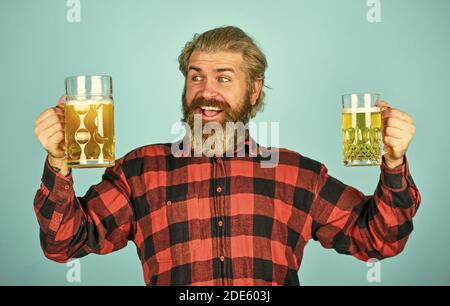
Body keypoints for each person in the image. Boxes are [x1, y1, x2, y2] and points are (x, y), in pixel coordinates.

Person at [33, 26, 421, 286]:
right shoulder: (139, 171)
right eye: (195, 76)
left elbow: (378, 241)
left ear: (253, 91)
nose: (206, 90)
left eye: (223, 77)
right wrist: (58, 164)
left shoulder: (298, 174)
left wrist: (392, 164)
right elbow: (64, 244)